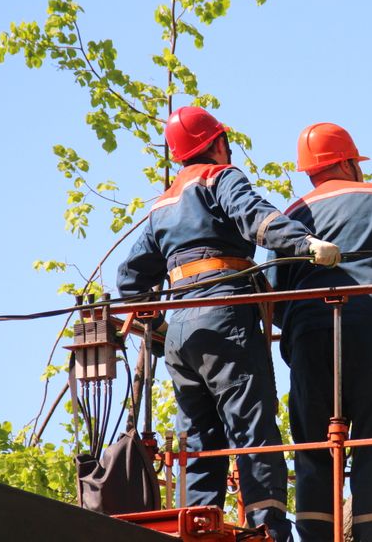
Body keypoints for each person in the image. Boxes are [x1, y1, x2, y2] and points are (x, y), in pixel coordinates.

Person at [117, 107, 340, 541]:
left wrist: (161, 333)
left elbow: (129, 280)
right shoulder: (220, 177)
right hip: (225, 315)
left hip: (182, 330)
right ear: (215, 144)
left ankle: (196, 527)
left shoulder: (162, 205)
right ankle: (268, 528)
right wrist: (306, 244)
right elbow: (255, 217)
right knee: (252, 424)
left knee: (198, 438)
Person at [268, 123, 372, 541]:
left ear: (311, 171)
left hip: (309, 339)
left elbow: (273, 301)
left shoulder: (291, 217)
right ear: (347, 162)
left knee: (312, 449)